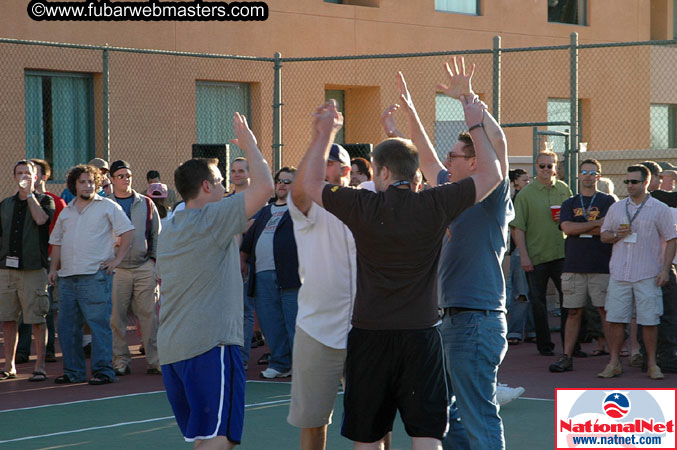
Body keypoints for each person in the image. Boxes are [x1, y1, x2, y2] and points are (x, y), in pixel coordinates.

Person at [300, 93, 501, 449]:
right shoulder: (435, 202)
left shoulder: (363, 204)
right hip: (421, 336)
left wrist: (325, 133)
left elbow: (310, 185)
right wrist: (474, 122)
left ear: (383, 172)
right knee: (427, 436)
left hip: (370, 335)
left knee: (369, 437)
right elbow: (493, 174)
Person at [393, 58, 511, 449]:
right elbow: (426, 160)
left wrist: (470, 102)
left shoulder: (490, 196)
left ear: (475, 161)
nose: (446, 162)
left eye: (455, 156)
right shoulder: (451, 193)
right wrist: (412, 114)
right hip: (452, 321)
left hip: (476, 322)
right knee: (451, 415)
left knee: (477, 413)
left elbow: (500, 148)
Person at [156, 112, 274, 449]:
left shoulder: (173, 227)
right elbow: (264, 187)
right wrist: (250, 143)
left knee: (204, 439)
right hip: (211, 346)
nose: (226, 187)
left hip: (174, 351)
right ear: (206, 186)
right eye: (221, 181)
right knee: (220, 440)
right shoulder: (211, 219)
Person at [287, 142, 357, 450]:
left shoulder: (366, 202)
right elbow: (301, 191)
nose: (318, 169)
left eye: (326, 163)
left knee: (373, 424)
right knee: (314, 422)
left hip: (366, 331)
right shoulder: (306, 207)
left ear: (344, 171)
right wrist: (321, 135)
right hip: (316, 332)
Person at [48, 164, 135, 385]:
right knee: (67, 329)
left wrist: (116, 260)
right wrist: (53, 270)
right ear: (74, 185)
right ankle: (73, 372)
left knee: (99, 325)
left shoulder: (108, 206)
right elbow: (56, 242)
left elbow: (128, 232)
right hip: (67, 279)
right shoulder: (66, 211)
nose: (88, 185)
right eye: (82, 182)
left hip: (95, 277)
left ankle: (104, 371)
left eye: (91, 181)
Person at [598, 165, 677, 380]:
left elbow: (672, 239)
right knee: (615, 319)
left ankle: (652, 363)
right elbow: (604, 235)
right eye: (627, 182)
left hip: (648, 273)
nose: (629, 185)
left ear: (645, 183)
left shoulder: (659, 208)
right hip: (620, 273)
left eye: (634, 182)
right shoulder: (617, 208)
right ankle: (614, 362)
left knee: (649, 320)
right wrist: (615, 234)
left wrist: (665, 269)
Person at [548, 159, 615, 373]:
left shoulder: (608, 201)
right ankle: (566, 356)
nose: (588, 176)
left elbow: (609, 232)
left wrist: (583, 228)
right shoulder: (570, 202)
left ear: (599, 176)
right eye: (584, 172)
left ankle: (614, 360)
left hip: (601, 265)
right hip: (574, 264)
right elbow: (567, 227)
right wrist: (596, 223)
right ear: (578, 175)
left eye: (592, 172)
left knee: (605, 311)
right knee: (573, 312)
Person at [510, 150, 573, 356]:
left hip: (561, 254)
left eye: (550, 165)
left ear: (556, 167)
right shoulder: (526, 194)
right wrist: (524, 256)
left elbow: (573, 220)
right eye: (542, 166)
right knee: (538, 302)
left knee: (569, 301)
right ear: (536, 168)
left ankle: (570, 345)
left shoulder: (564, 189)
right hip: (536, 256)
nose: (546, 170)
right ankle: (544, 346)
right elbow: (517, 227)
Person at [241, 167, 301, 379]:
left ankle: (301, 367)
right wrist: (243, 262)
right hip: (263, 277)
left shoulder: (301, 210)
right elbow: (246, 245)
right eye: (279, 180)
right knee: (271, 324)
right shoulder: (265, 211)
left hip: (291, 276)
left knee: (295, 324)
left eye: (288, 181)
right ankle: (280, 364)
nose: (282, 184)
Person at [0, 160, 54, 382]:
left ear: (36, 177)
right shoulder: (5, 204)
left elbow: (41, 219)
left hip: (33, 270)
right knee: (8, 319)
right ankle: (9, 366)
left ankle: (39, 366)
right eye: (19, 173)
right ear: (14, 177)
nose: (23, 176)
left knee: (37, 320)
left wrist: (29, 194)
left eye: (28, 174)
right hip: (7, 270)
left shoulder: (45, 200)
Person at [108, 160, 162, 376]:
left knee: (150, 316)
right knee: (116, 317)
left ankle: (155, 360)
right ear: (112, 180)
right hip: (117, 270)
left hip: (143, 267)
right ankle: (120, 360)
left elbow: (157, 235)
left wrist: (153, 261)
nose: (125, 179)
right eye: (120, 176)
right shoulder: (105, 204)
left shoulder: (146, 203)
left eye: (128, 175)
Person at [506, 168, 535, 345]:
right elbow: (514, 227)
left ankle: (532, 330)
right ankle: (515, 331)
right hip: (519, 252)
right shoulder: (514, 200)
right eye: (524, 180)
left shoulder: (528, 198)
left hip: (532, 249)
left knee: (532, 293)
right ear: (515, 182)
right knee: (521, 293)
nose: (528, 183)